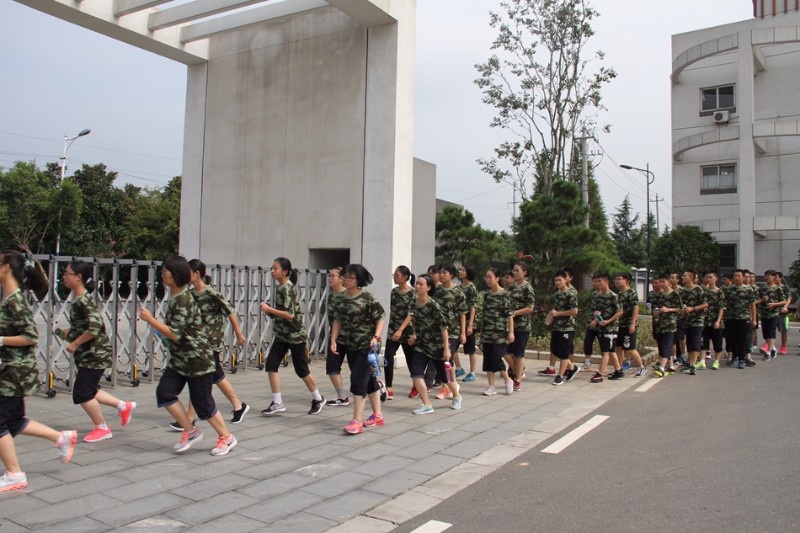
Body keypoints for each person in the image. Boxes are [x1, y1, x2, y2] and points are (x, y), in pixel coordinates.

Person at [141, 255, 237, 456]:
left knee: (203, 404)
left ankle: (226, 437)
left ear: (175, 275)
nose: (162, 274)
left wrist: (150, 320)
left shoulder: (184, 299)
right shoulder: (178, 298)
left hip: (197, 360)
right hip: (180, 361)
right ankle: (190, 430)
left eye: (165, 271)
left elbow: (175, 333)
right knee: (165, 393)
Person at [0, 251, 77, 491]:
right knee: (14, 421)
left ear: (5, 268)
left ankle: (15, 474)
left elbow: (31, 336)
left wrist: (2, 339)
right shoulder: (9, 298)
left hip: (14, 372)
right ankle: (60, 438)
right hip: (12, 370)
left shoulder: (14, 300)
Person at [61, 260, 136, 442]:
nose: (64, 277)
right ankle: (122, 406)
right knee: (90, 389)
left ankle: (102, 427)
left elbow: (95, 327)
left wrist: (75, 343)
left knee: (82, 392)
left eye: (67, 274)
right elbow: (90, 325)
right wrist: (72, 332)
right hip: (92, 354)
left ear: (78, 277)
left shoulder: (83, 300)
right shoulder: (80, 299)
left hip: (94, 355)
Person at [172, 259, 248, 427]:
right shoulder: (191, 295)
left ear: (197, 274)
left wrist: (239, 334)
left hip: (211, 343)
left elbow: (230, 313)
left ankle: (190, 418)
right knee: (211, 376)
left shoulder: (212, 294)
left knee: (200, 377)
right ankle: (238, 406)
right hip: (199, 344)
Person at [260, 258, 325, 415]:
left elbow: (290, 315)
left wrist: (269, 309)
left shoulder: (287, 288)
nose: (272, 271)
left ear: (285, 272)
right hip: (282, 335)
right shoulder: (280, 287)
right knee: (271, 365)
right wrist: (271, 311)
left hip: (295, 335)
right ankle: (277, 402)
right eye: (272, 268)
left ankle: (318, 398)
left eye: (275, 268)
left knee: (301, 369)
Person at [330, 264, 385, 435]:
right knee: (368, 381)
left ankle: (357, 420)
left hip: (366, 346)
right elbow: (337, 320)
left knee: (358, 380)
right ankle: (378, 415)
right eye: (344, 276)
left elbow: (381, 317)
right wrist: (333, 340)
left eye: (349, 277)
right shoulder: (340, 298)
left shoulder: (368, 298)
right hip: (349, 344)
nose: (345, 279)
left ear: (358, 280)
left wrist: (376, 336)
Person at [407, 274, 461, 413]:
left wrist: (446, 348)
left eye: (421, 284)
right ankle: (427, 404)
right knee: (416, 374)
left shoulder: (433, 305)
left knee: (447, 378)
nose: (417, 286)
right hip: (422, 345)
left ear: (429, 288)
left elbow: (444, 328)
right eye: (416, 284)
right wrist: (414, 334)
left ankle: (456, 395)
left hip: (437, 347)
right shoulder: (414, 303)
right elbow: (415, 321)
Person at [433, 264, 467, 400]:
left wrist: (463, 332)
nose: (441, 275)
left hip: (453, 332)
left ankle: (447, 387)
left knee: (446, 358)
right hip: (439, 331)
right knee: (444, 359)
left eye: (444, 272)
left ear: (451, 275)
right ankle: (452, 385)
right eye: (440, 273)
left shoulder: (458, 292)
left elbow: (463, 314)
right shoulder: (437, 291)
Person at [480, 268, 514, 396]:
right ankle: (491, 386)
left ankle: (508, 379)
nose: (488, 280)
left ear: (497, 278)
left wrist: (511, 332)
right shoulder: (487, 295)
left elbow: (509, 315)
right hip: (488, 332)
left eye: (490, 277)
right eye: (486, 277)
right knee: (488, 359)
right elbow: (485, 314)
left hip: (500, 332)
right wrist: (482, 331)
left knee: (496, 357)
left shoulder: (504, 294)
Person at [384, 266, 415, 401]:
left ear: (405, 277)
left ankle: (416, 386)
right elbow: (392, 310)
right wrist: (390, 327)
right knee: (387, 357)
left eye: (397, 275)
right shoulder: (394, 292)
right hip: (393, 330)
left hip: (407, 331)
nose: (394, 277)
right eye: (394, 274)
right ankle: (389, 388)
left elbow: (411, 314)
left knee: (411, 360)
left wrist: (401, 329)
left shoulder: (413, 293)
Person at [588, 273, 623, 383]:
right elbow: (596, 311)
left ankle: (600, 374)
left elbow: (620, 312)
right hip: (601, 327)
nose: (597, 284)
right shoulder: (597, 296)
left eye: (599, 281)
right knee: (610, 351)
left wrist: (608, 321)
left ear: (606, 282)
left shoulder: (613, 296)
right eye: (596, 282)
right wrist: (595, 319)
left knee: (606, 352)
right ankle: (618, 370)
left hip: (611, 328)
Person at [505, 262, 535, 391]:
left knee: (518, 354)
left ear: (524, 272)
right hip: (510, 325)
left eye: (517, 270)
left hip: (522, 326)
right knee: (505, 351)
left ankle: (517, 379)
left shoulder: (528, 288)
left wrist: (514, 313)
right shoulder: (511, 287)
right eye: (514, 270)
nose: (514, 273)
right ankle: (518, 370)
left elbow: (530, 308)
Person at [325, 267, 352, 406]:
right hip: (336, 339)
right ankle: (342, 397)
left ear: (341, 279)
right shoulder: (330, 296)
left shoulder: (348, 296)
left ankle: (377, 386)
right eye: (330, 275)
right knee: (332, 368)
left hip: (352, 339)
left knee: (358, 371)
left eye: (333, 276)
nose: (330, 278)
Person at [549, 271, 581, 386]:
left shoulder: (570, 294)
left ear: (565, 280)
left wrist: (559, 313)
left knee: (563, 353)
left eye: (560, 280)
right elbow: (555, 309)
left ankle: (560, 376)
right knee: (555, 349)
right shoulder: (557, 293)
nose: (557, 282)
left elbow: (574, 311)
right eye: (556, 280)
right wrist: (551, 317)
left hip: (567, 327)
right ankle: (572, 367)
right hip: (557, 326)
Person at [613, 272, 647, 378]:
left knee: (630, 348)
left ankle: (642, 367)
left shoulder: (631, 292)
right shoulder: (618, 294)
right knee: (618, 347)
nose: (616, 281)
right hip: (620, 325)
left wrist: (633, 323)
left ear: (627, 281)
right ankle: (618, 369)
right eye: (616, 279)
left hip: (629, 324)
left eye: (619, 279)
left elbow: (636, 308)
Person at [651, 273, 682, 378]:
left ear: (669, 282)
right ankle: (670, 365)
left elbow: (681, 308)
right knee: (661, 344)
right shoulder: (659, 294)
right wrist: (656, 312)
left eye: (663, 282)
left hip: (670, 324)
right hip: (659, 323)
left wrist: (669, 309)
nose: (661, 284)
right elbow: (655, 307)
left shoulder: (675, 294)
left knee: (667, 345)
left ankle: (662, 367)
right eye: (659, 282)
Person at [724, 269, 757, 369]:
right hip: (730, 317)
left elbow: (752, 305)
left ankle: (742, 359)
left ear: (743, 277)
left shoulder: (748, 289)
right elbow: (724, 303)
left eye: (739, 276)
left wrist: (754, 318)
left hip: (743, 317)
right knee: (731, 338)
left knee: (742, 339)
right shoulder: (728, 289)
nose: (737, 278)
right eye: (735, 276)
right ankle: (735, 357)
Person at [678, 270, 708, 375]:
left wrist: (693, 308)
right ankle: (690, 363)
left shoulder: (698, 289)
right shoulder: (681, 291)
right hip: (687, 320)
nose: (682, 278)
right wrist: (683, 309)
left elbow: (705, 304)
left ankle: (693, 365)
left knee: (695, 341)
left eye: (685, 276)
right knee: (689, 342)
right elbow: (679, 305)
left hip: (697, 320)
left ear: (691, 278)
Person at [757, 270, 787, 361]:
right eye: (766, 276)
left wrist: (774, 304)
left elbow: (784, 301)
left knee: (771, 333)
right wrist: (762, 300)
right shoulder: (762, 288)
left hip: (774, 314)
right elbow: (756, 300)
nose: (767, 277)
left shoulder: (778, 288)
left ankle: (768, 353)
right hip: (764, 313)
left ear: (774, 277)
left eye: (769, 276)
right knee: (766, 334)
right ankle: (773, 349)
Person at [458, 264, 479, 382]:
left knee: (471, 348)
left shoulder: (471, 287)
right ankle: (459, 368)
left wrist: (470, 324)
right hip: (459, 321)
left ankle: (472, 372)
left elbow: (473, 307)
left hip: (468, 321)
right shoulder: (459, 287)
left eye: (463, 270)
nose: (460, 272)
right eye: (460, 270)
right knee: (453, 347)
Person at [702, 272, 726, 369]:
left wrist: (718, 320)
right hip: (705, 320)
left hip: (715, 320)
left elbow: (722, 307)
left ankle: (716, 361)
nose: (709, 279)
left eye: (711, 277)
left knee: (717, 342)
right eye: (707, 277)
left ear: (716, 279)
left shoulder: (719, 292)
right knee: (703, 341)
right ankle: (702, 361)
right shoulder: (704, 291)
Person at [774, 271, 792, 354]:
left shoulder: (784, 288)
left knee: (783, 331)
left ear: (780, 278)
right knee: (771, 330)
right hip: (772, 312)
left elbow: (789, 298)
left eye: (776, 277)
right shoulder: (771, 288)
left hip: (782, 312)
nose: (775, 278)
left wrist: (785, 307)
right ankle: (770, 346)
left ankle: (783, 346)